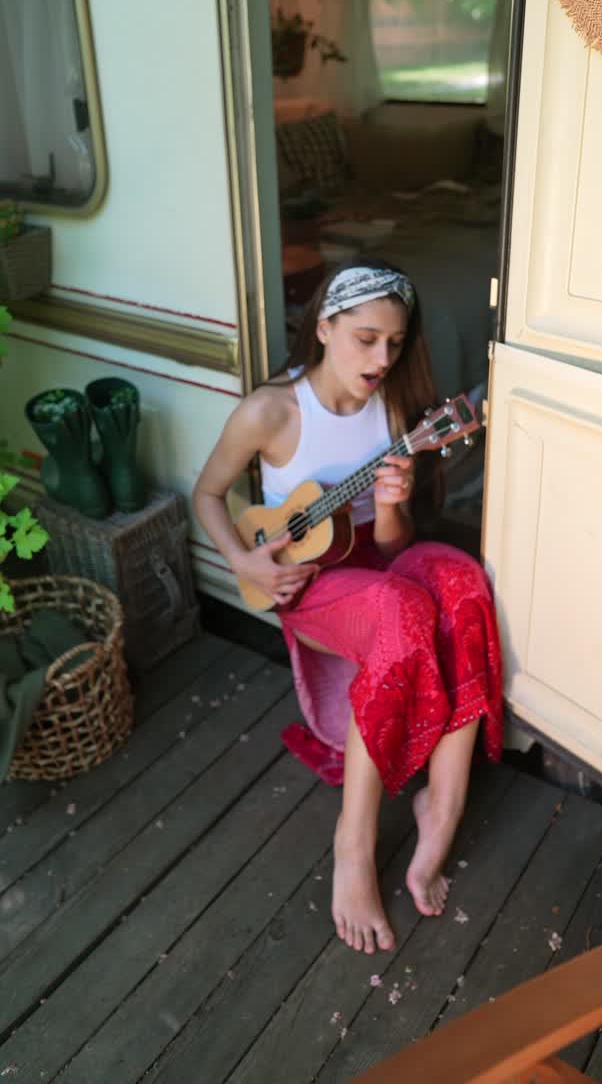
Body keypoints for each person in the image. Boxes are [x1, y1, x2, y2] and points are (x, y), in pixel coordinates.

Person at [193, 260, 503, 956]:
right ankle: (354, 847)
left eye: (394, 343)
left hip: (373, 562)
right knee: (399, 610)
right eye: (365, 338)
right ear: (325, 328)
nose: (381, 359)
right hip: (306, 583)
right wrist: (243, 560)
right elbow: (208, 495)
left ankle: (440, 810)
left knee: (460, 582)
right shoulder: (270, 411)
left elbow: (395, 546)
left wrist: (392, 502)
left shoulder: (396, 410)